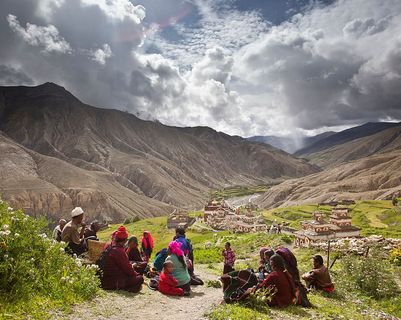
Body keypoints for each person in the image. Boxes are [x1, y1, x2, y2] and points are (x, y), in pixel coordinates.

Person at [101, 226, 144, 293]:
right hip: (111, 281)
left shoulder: (108, 245)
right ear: (125, 240)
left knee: (139, 268)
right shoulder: (119, 250)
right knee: (140, 278)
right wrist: (136, 273)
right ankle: (128, 288)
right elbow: (129, 271)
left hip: (104, 278)